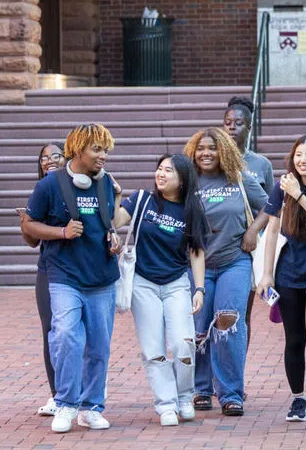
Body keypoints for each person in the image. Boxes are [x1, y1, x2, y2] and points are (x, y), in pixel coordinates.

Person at [23, 124, 123, 434]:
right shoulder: (50, 185)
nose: (103, 156)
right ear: (78, 149)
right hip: (64, 275)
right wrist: (61, 233)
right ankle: (65, 403)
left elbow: (109, 222)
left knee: (99, 346)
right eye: (97, 149)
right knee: (66, 335)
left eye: (105, 150)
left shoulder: (105, 183)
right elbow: (28, 225)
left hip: (102, 277)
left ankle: (92, 407)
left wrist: (113, 238)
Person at [113, 154, 209, 427]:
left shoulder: (192, 209)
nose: (161, 174)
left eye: (169, 170)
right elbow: (118, 219)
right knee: (153, 348)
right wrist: (118, 196)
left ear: (183, 179)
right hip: (143, 284)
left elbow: (197, 251)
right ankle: (166, 404)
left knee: (184, 344)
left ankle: (184, 396)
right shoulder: (143, 199)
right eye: (160, 168)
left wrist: (199, 288)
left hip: (176, 283)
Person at [183, 128, 268, 416]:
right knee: (198, 328)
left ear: (224, 152)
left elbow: (270, 205)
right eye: (201, 148)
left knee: (228, 323)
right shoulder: (187, 181)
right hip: (198, 266)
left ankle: (231, 393)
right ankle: (201, 389)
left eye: (213, 148)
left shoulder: (239, 178)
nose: (206, 153)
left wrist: (253, 231)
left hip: (235, 261)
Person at [256, 134, 306, 427]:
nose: (302, 160)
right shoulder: (283, 187)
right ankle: (298, 398)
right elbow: (273, 230)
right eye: (298, 154)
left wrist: (299, 195)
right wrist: (267, 274)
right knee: (294, 339)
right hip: (287, 272)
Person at [222, 96, 274, 352]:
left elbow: (273, 206)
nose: (232, 127)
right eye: (228, 122)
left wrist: (255, 231)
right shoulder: (211, 159)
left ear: (249, 127)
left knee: (241, 313)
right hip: (218, 244)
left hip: (248, 248)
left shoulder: (261, 164)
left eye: (238, 123)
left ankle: (236, 374)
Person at [19, 142, 65, 417]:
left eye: (55, 155)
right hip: (48, 269)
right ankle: (58, 395)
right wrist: (26, 222)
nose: (49, 161)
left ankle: (86, 389)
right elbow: (31, 240)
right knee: (51, 332)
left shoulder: (79, 188)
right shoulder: (41, 191)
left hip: (78, 270)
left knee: (74, 333)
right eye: (44, 158)